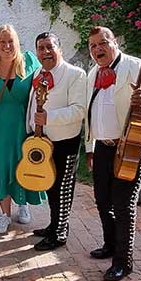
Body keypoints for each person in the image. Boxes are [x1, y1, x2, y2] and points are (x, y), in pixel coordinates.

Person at [85, 26, 141, 281]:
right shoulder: (93, 73)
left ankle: (124, 261)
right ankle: (110, 245)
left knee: (123, 205)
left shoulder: (140, 67)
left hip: (131, 145)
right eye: (93, 46)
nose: (97, 49)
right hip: (102, 146)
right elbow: (92, 114)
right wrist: (90, 147)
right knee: (102, 201)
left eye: (103, 43)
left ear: (115, 42)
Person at [0, 24, 44, 234]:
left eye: (10, 41)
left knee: (23, 166)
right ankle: (4, 214)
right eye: (2, 42)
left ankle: (23, 204)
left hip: (23, 127)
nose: (7, 46)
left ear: (17, 42)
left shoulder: (30, 61)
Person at [26, 32, 88, 251]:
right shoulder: (38, 72)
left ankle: (60, 234)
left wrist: (50, 118)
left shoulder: (76, 74)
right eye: (41, 48)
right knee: (50, 186)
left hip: (64, 141)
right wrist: (31, 130)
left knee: (63, 188)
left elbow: (80, 110)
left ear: (59, 49)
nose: (45, 52)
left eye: (50, 47)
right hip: (42, 140)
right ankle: (55, 225)